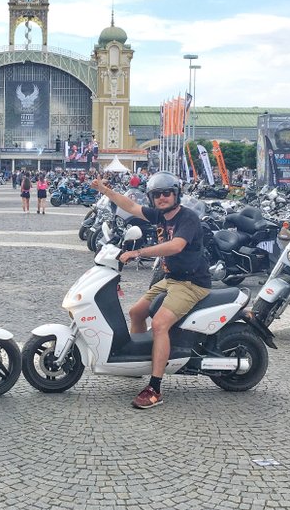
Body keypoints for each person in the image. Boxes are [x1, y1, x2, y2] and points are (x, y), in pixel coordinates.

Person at [90, 171, 211, 410]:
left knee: (159, 325)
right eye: (157, 194)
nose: (163, 198)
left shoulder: (188, 218)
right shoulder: (160, 216)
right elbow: (132, 207)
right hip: (171, 279)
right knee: (136, 312)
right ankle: (140, 363)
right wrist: (106, 191)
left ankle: (155, 387)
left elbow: (176, 246)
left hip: (191, 283)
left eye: (167, 193)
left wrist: (139, 253)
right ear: (152, 197)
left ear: (177, 194)